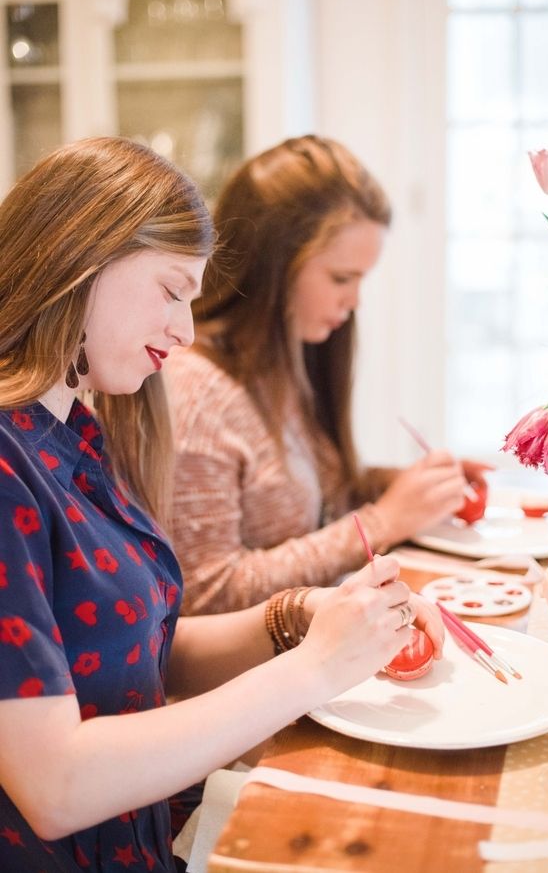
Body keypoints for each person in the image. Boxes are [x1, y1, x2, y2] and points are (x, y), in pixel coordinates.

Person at [0, 136, 443, 873]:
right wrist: (312, 670)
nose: (184, 331)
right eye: (172, 289)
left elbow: (130, 649)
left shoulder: (74, 433)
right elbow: (56, 784)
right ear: (80, 258)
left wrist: (299, 615)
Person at [166, 134, 489, 615]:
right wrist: (383, 520)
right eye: (342, 278)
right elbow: (207, 596)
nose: (354, 301)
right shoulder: (193, 390)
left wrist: (404, 487)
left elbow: (317, 498)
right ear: (273, 264)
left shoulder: (285, 360)